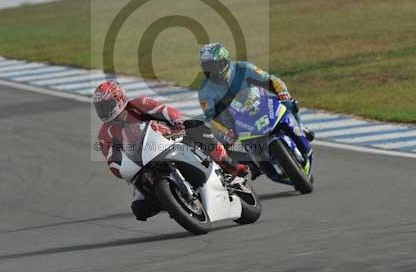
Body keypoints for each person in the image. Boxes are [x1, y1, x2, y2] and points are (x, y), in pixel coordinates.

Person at [93, 80, 249, 221]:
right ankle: (174, 200)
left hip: (169, 138)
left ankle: (230, 167)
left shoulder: (138, 104)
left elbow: (164, 110)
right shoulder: (105, 133)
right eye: (100, 107)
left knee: (198, 128)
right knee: (139, 209)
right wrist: (121, 170)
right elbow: (111, 160)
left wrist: (177, 122)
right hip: (142, 162)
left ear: (118, 98)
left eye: (106, 106)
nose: (104, 111)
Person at [197, 42, 314, 178]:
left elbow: (271, 80)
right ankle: (252, 163)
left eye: (214, 65)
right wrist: (226, 132)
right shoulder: (205, 91)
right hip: (233, 120)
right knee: (226, 143)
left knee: (288, 103)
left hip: (259, 102)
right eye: (207, 67)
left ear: (225, 62)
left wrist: (283, 93)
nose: (212, 71)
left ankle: (300, 127)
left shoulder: (243, 68)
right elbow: (211, 118)